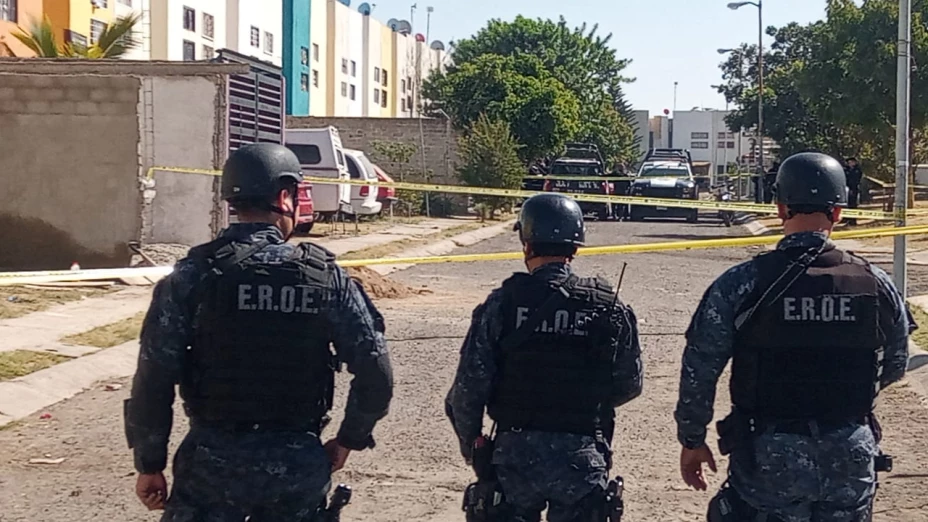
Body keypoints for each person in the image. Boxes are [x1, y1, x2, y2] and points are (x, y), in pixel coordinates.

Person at [124, 143, 394, 521]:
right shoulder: (324, 277)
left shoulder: (192, 276)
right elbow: (375, 372)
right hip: (296, 466)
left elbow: (154, 378)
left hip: (209, 467)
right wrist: (348, 439)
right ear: (284, 197)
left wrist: (149, 463)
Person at [675, 152, 915, 522]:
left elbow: (701, 367)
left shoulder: (742, 284)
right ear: (839, 211)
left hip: (767, 462)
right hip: (848, 461)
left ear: (780, 207)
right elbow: (897, 363)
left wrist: (692, 440)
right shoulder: (875, 284)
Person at [446, 193, 644, 522]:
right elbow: (630, 384)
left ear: (527, 243)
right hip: (581, 458)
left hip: (513, 459)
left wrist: (474, 447)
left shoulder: (502, 304)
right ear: (576, 247)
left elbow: (466, 390)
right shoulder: (608, 306)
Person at [845, 157, 863, 225]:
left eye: (851, 162)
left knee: (853, 205)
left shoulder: (857, 170)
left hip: (854, 189)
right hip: (848, 189)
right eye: (849, 163)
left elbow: (857, 179)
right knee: (848, 205)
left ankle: (853, 221)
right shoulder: (847, 170)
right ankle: (848, 220)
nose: (850, 164)